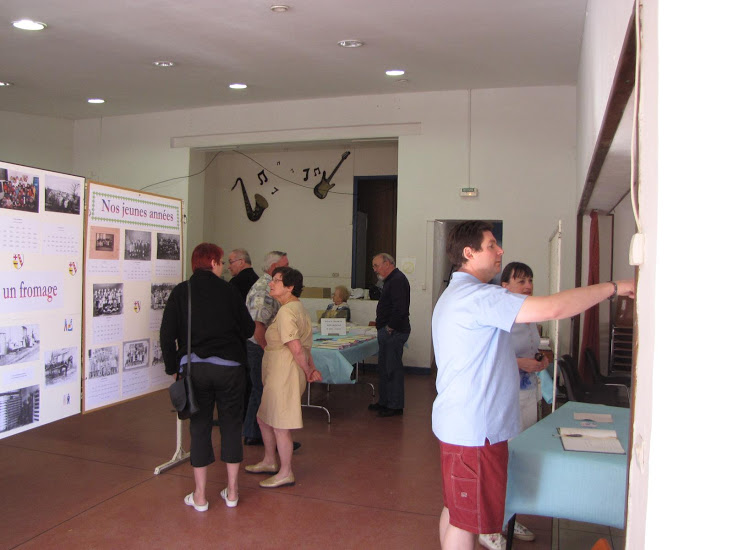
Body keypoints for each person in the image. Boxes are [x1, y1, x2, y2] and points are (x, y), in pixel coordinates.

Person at [431, 221, 634, 550]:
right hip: (475, 429)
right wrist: (613, 287)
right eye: (491, 245)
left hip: (463, 423)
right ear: (469, 253)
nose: (500, 251)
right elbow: (554, 308)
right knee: (465, 521)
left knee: (457, 510)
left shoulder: (457, 294)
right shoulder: (479, 297)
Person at [160, 243, 255, 512]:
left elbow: (166, 334)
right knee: (231, 425)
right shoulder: (230, 291)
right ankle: (232, 492)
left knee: (199, 426)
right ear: (212, 262)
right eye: (221, 262)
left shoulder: (182, 291)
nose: (223, 267)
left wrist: (172, 368)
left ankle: (200, 496)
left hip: (195, 370)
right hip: (230, 369)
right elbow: (248, 329)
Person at [478, 262, 550, 547]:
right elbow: (488, 356)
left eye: (530, 280)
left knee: (517, 459)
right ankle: (488, 526)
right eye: (521, 281)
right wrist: (521, 363)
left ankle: (507, 517)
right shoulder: (500, 315)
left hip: (527, 390)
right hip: (506, 394)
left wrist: (541, 358)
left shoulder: (527, 313)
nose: (528, 285)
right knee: (499, 461)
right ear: (504, 286)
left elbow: (530, 348)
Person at [245, 267, 322, 488]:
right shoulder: (293, 308)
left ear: (290, 287)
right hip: (278, 372)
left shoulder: (288, 311)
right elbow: (306, 347)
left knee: (280, 424)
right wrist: (310, 367)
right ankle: (270, 461)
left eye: (277, 281)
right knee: (264, 418)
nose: (271, 284)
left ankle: (285, 472)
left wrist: (308, 370)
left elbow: (297, 347)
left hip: (285, 373)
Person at [243, 251, 289, 446]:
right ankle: (257, 434)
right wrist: (267, 351)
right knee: (262, 390)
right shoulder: (264, 289)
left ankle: (254, 432)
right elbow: (258, 326)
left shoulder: (271, 286)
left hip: (262, 346)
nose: (288, 269)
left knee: (261, 390)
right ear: (273, 267)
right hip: (259, 347)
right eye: (285, 265)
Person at [369, 253, 410, 417]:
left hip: (394, 332)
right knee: (384, 368)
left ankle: (395, 405)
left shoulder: (398, 280)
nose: (374, 269)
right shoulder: (390, 280)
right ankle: (384, 401)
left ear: (387, 263)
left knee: (392, 369)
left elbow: (400, 308)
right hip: (388, 331)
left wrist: (389, 327)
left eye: (376, 265)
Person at [228, 248, 259, 429]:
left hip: (239, 338)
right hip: (254, 337)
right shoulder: (258, 280)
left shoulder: (235, 284)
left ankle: (241, 418)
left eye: (231, 262)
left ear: (241, 262)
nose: (228, 266)